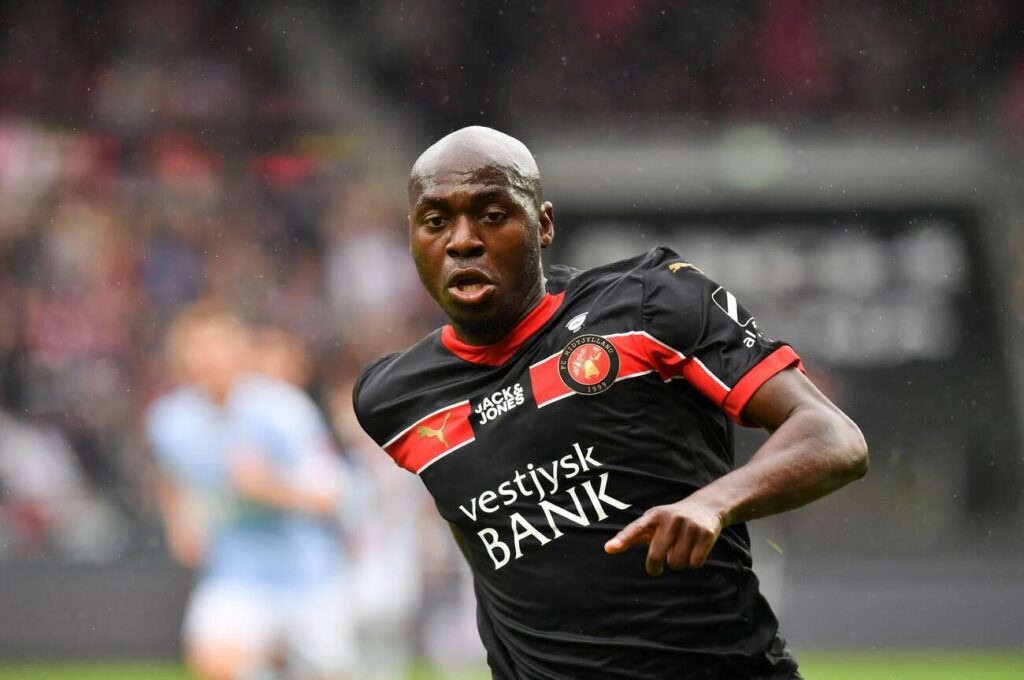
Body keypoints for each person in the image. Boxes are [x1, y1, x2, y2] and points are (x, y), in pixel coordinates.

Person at [352, 126, 869, 680]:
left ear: (543, 224)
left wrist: (714, 503)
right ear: (412, 240)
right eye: (436, 222)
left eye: (492, 215)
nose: (462, 241)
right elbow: (487, 548)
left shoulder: (648, 304)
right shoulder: (394, 401)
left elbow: (834, 438)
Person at [145, 302, 353, 680]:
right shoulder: (169, 422)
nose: (206, 358)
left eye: (216, 346)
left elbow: (332, 495)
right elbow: (168, 476)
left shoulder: (283, 410)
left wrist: (269, 487)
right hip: (235, 573)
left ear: (239, 349)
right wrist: (179, 522)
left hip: (309, 576)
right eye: (196, 348)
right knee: (213, 660)